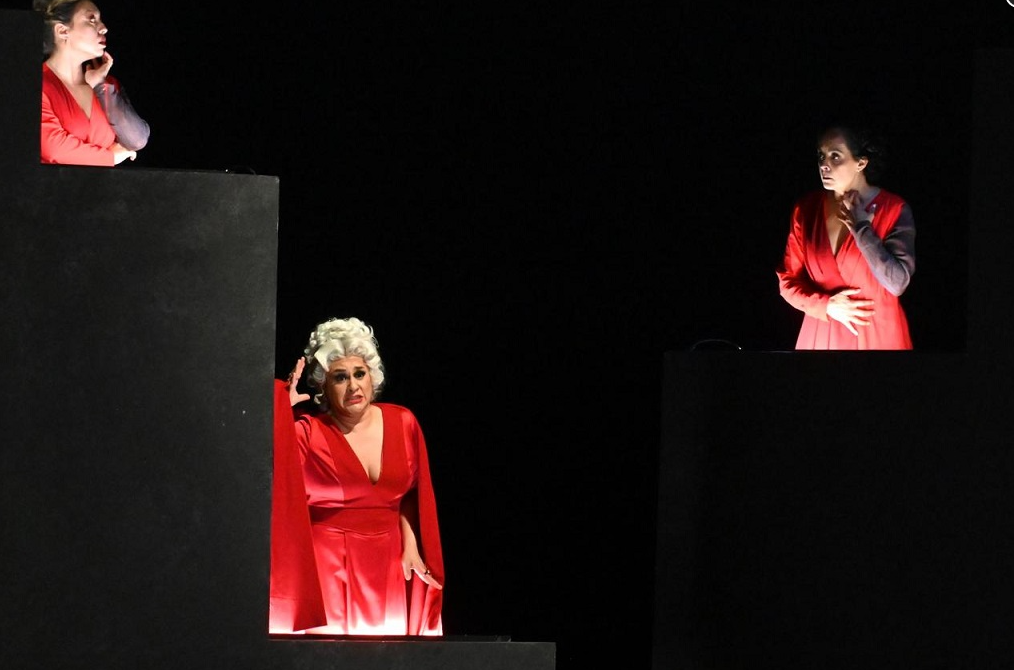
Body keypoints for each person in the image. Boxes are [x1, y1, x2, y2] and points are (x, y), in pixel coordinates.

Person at [269, 317, 444, 635]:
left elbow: (410, 496)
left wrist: (411, 543)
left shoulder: (403, 422)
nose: (353, 386)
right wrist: (281, 409)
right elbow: (271, 481)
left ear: (372, 376)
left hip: (390, 561)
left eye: (359, 374)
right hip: (328, 566)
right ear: (323, 384)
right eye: (340, 377)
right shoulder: (307, 432)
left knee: (386, 657)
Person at [776, 125, 916, 349]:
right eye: (821, 155)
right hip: (821, 335)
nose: (824, 164)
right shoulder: (806, 210)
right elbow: (787, 281)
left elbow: (897, 283)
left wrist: (860, 227)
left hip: (878, 337)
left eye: (835, 156)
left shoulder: (894, 209)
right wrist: (825, 306)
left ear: (861, 163)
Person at [35, 0, 149, 166]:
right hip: (53, 190)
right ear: (62, 31)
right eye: (91, 19)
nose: (104, 28)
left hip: (101, 190)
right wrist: (111, 157)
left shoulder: (105, 85)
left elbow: (137, 140)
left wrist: (100, 86)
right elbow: (51, 147)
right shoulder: (36, 84)